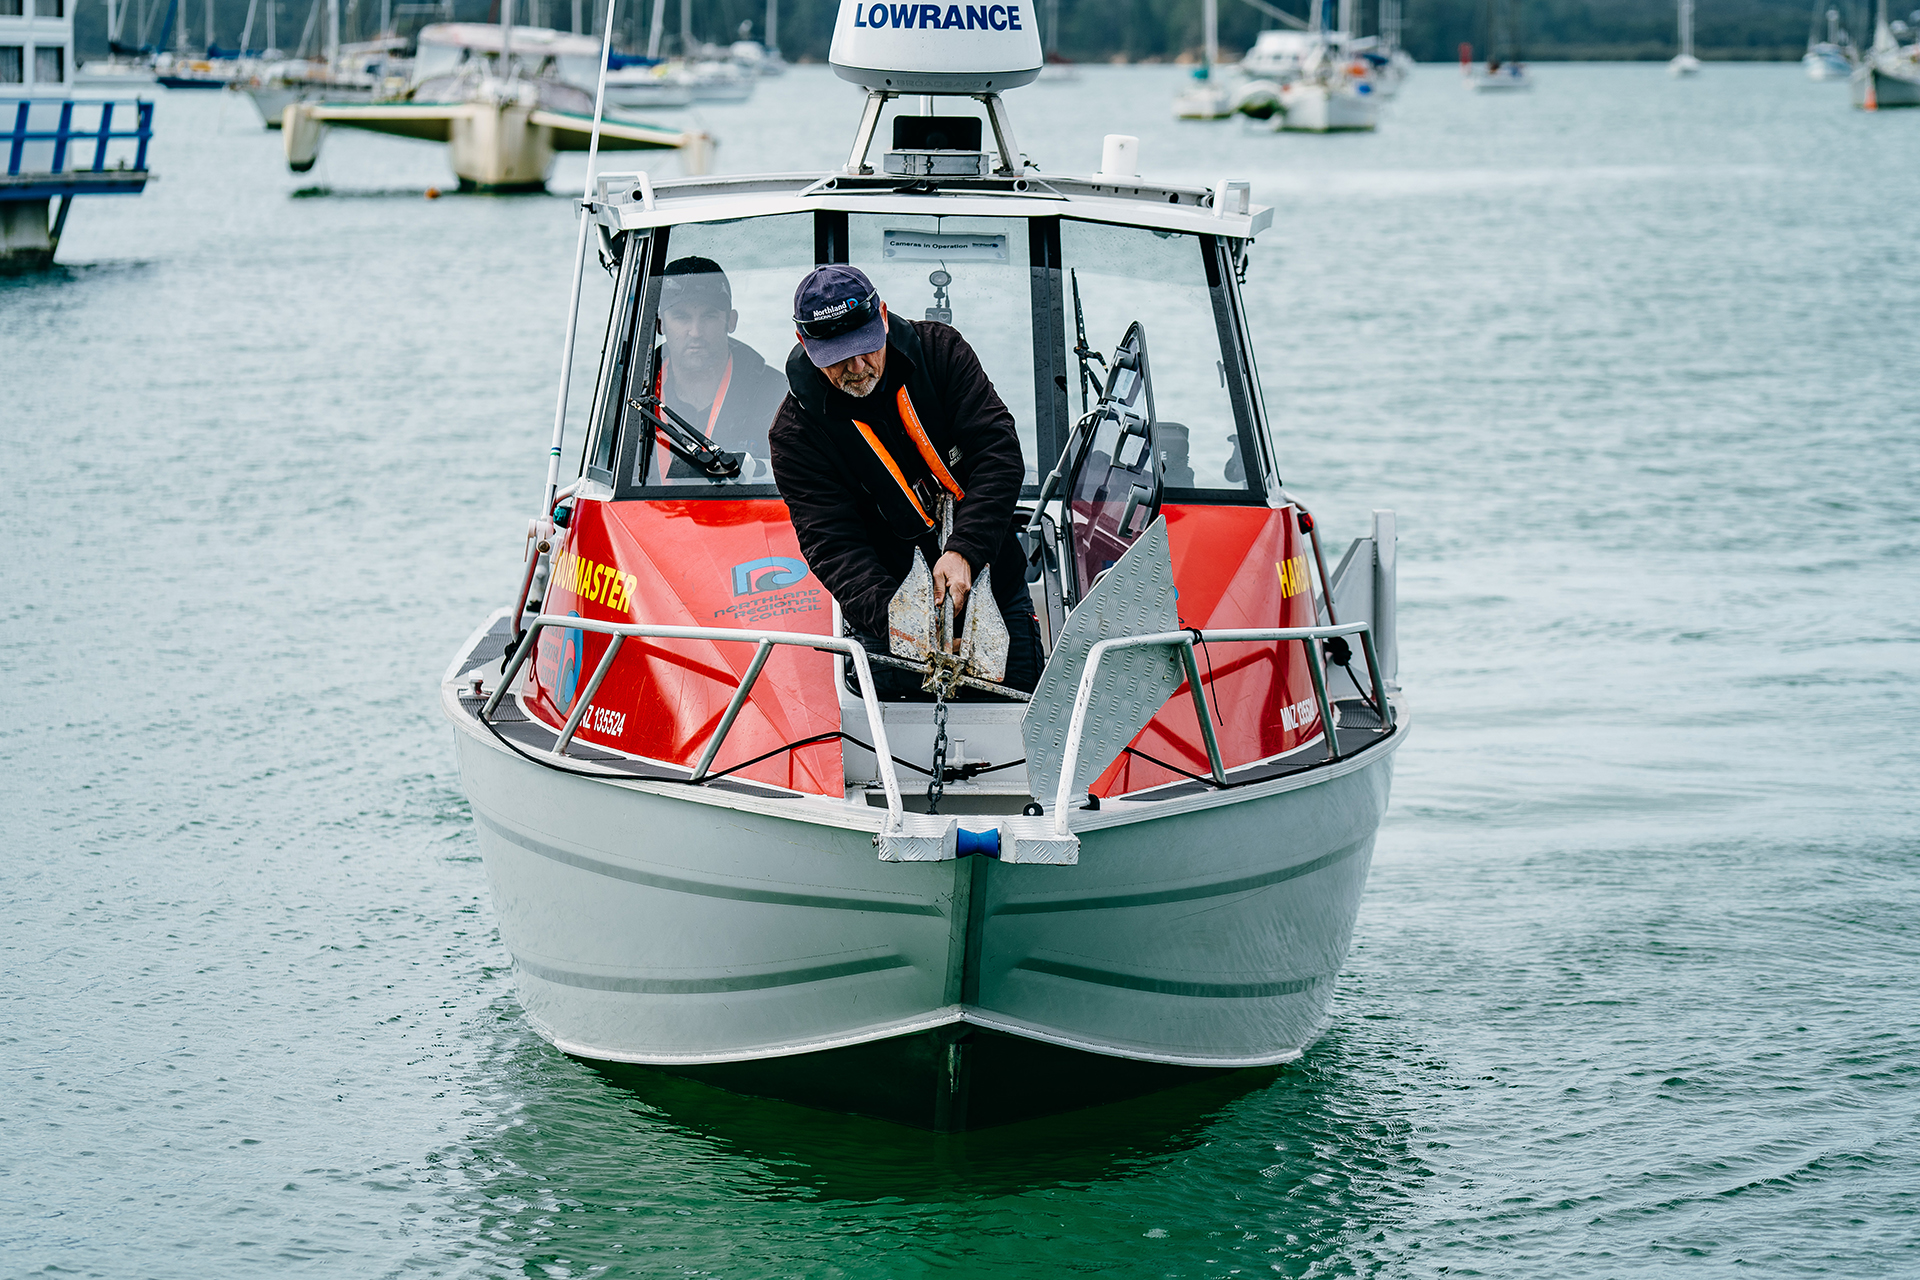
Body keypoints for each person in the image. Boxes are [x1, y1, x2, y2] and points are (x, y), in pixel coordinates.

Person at [768, 264, 1043, 698]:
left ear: (882, 315)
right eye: (837, 358)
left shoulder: (941, 353)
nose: (857, 367)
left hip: (996, 590)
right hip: (887, 620)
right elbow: (833, 545)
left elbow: (999, 455)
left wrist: (964, 552)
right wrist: (907, 625)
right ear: (805, 344)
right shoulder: (794, 434)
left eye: (865, 347)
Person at [651, 256, 789, 482]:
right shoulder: (633, 392)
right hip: (654, 515)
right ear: (660, 324)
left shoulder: (774, 394)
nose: (695, 331)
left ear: (731, 321)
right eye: (681, 317)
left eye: (709, 316)